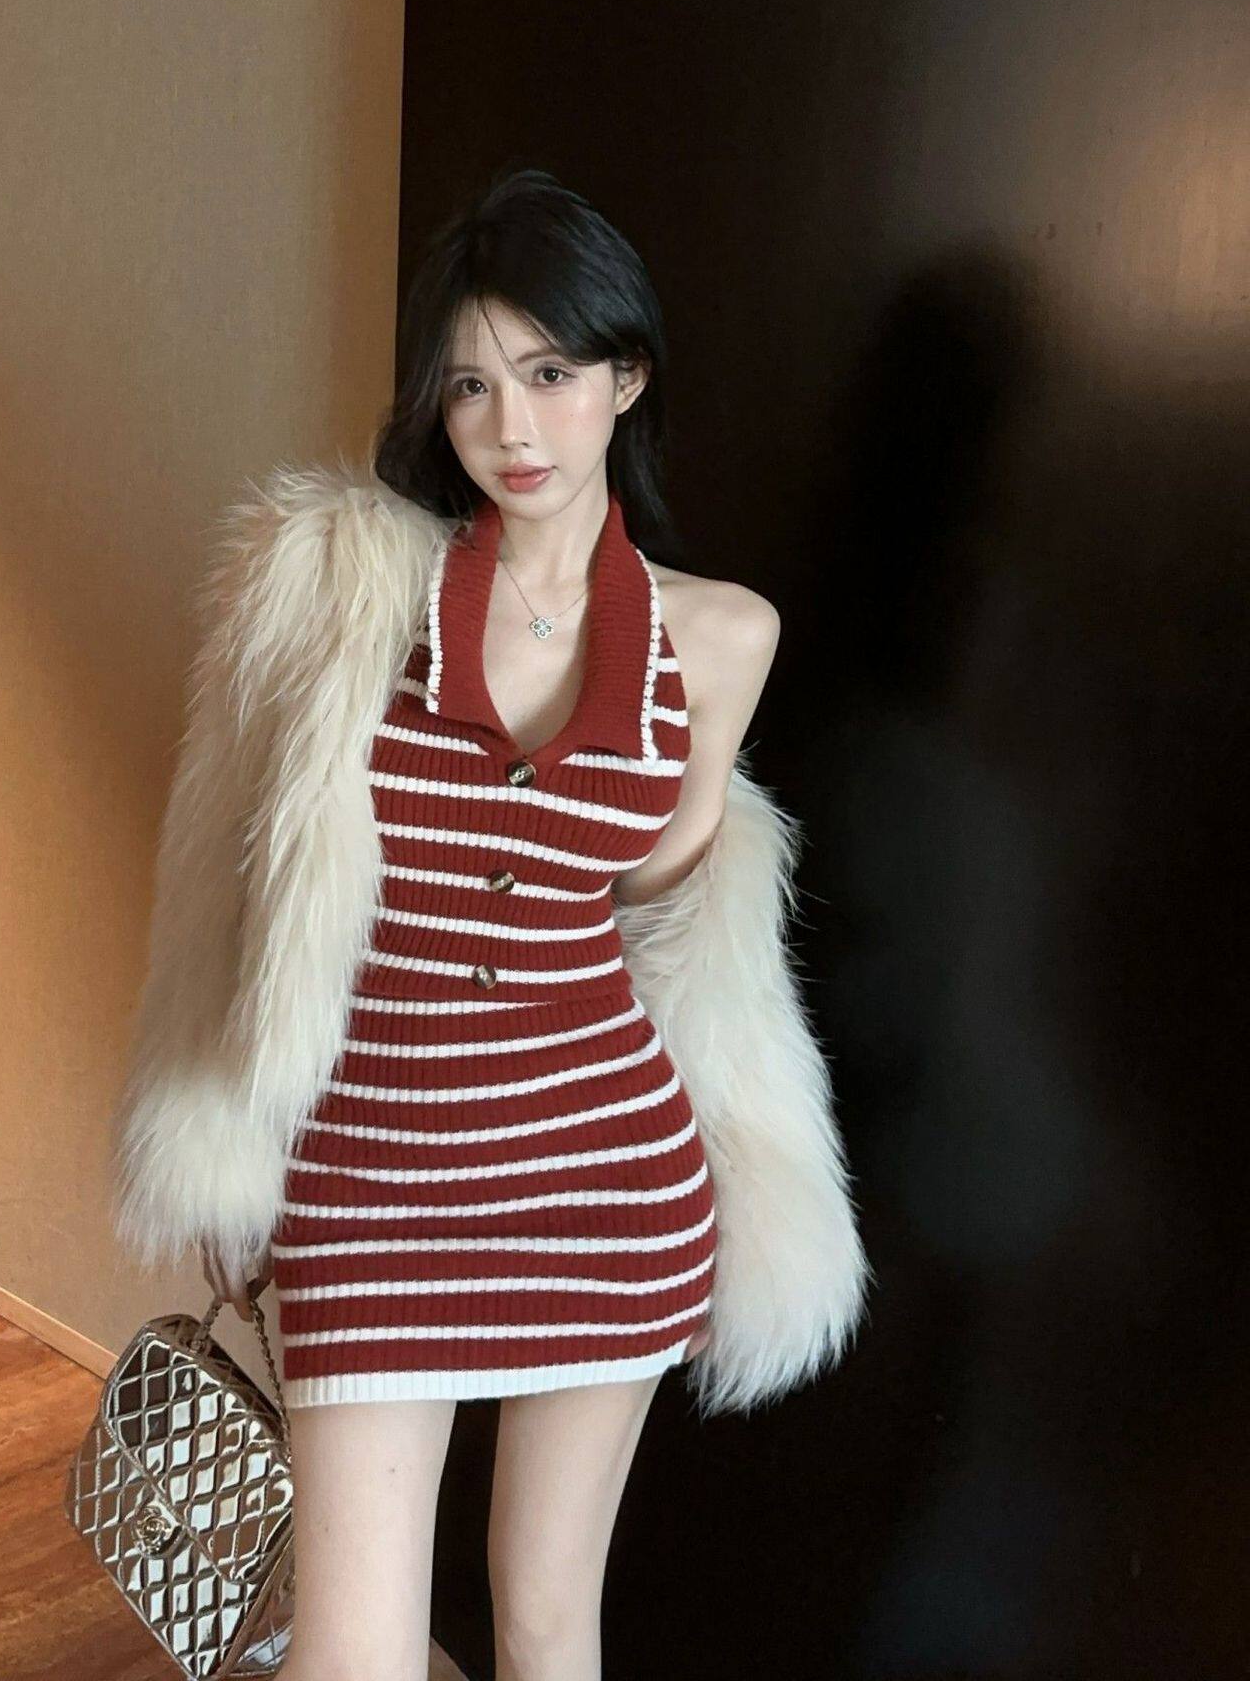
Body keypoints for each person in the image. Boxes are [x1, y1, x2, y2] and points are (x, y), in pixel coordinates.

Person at [112, 167, 869, 1681]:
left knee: (544, 1621)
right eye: (470, 385)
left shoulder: (723, 636)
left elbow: (660, 901)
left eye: (550, 373)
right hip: (369, 1177)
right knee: (355, 1652)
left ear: (625, 378)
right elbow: (229, 884)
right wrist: (222, 1135)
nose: (511, 427)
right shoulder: (336, 590)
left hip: (602, 1179)